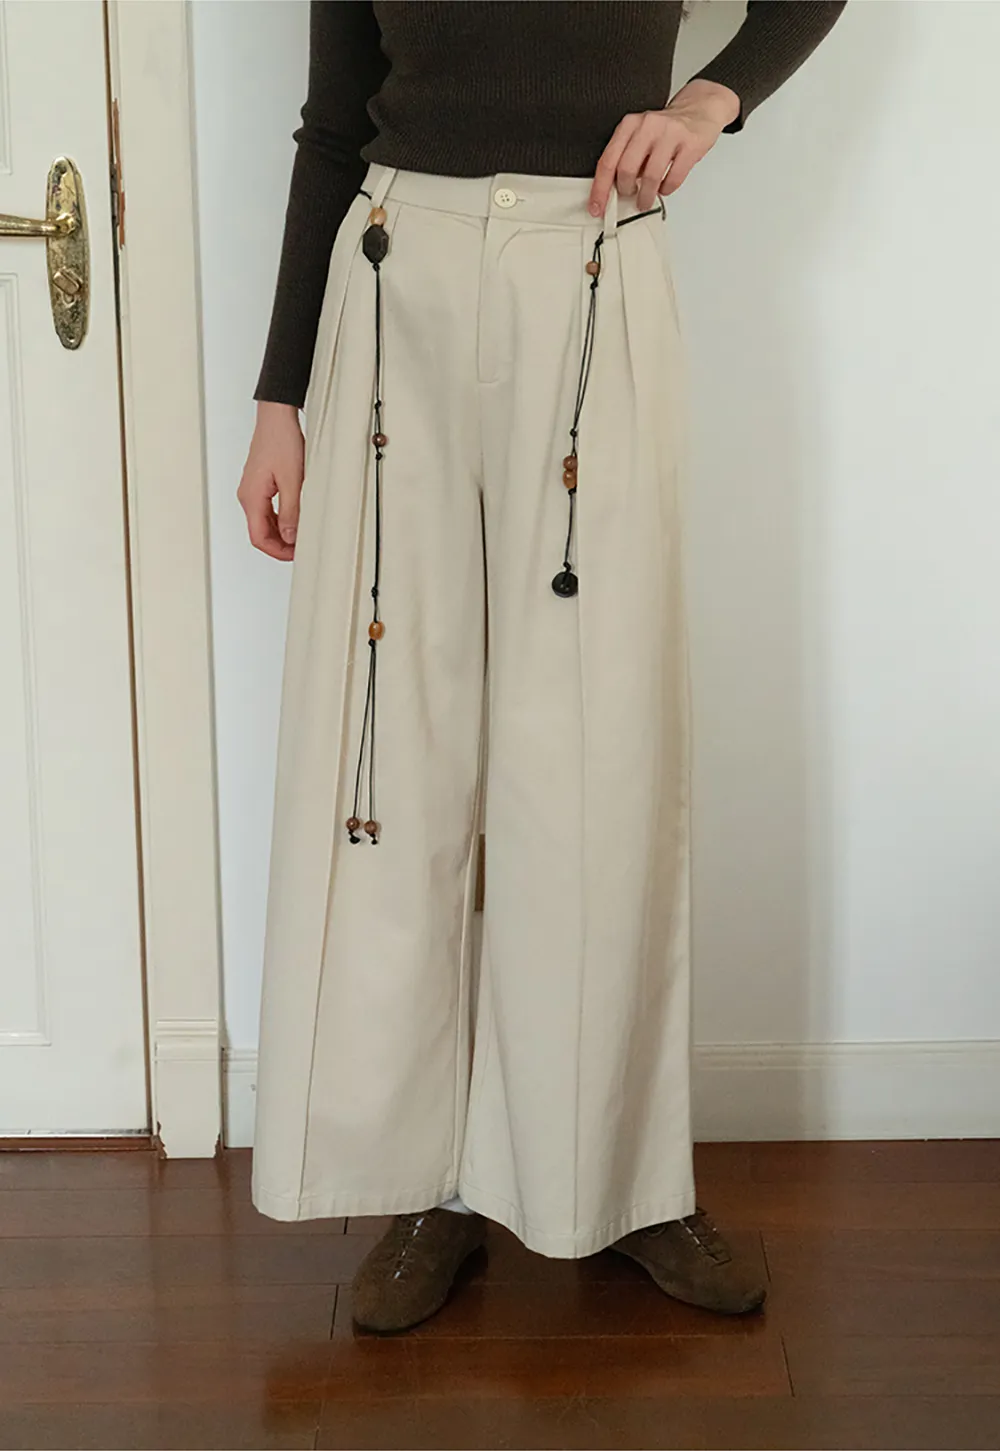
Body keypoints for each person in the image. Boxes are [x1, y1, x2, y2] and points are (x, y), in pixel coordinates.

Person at [239, 0, 847, 1334]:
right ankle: (423, 1182)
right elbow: (333, 125)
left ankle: (621, 1179)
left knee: (594, 749)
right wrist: (280, 398)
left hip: (594, 260)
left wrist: (712, 100)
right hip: (395, 279)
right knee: (397, 747)